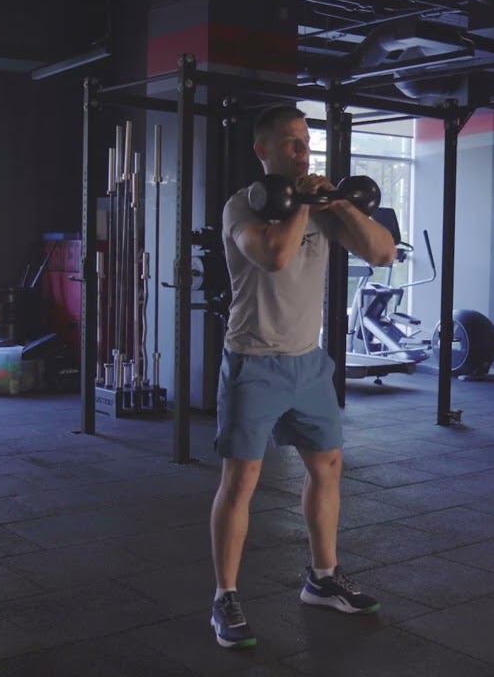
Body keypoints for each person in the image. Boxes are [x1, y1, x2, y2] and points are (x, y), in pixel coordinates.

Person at [209, 105, 397, 649]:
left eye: (306, 142)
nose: (302, 151)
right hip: (252, 361)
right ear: (262, 150)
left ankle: (322, 578)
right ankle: (225, 598)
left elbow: (383, 252)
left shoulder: (323, 206)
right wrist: (305, 206)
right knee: (241, 481)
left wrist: (338, 203)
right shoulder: (241, 206)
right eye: (290, 142)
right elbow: (275, 255)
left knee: (328, 467)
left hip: (308, 363)